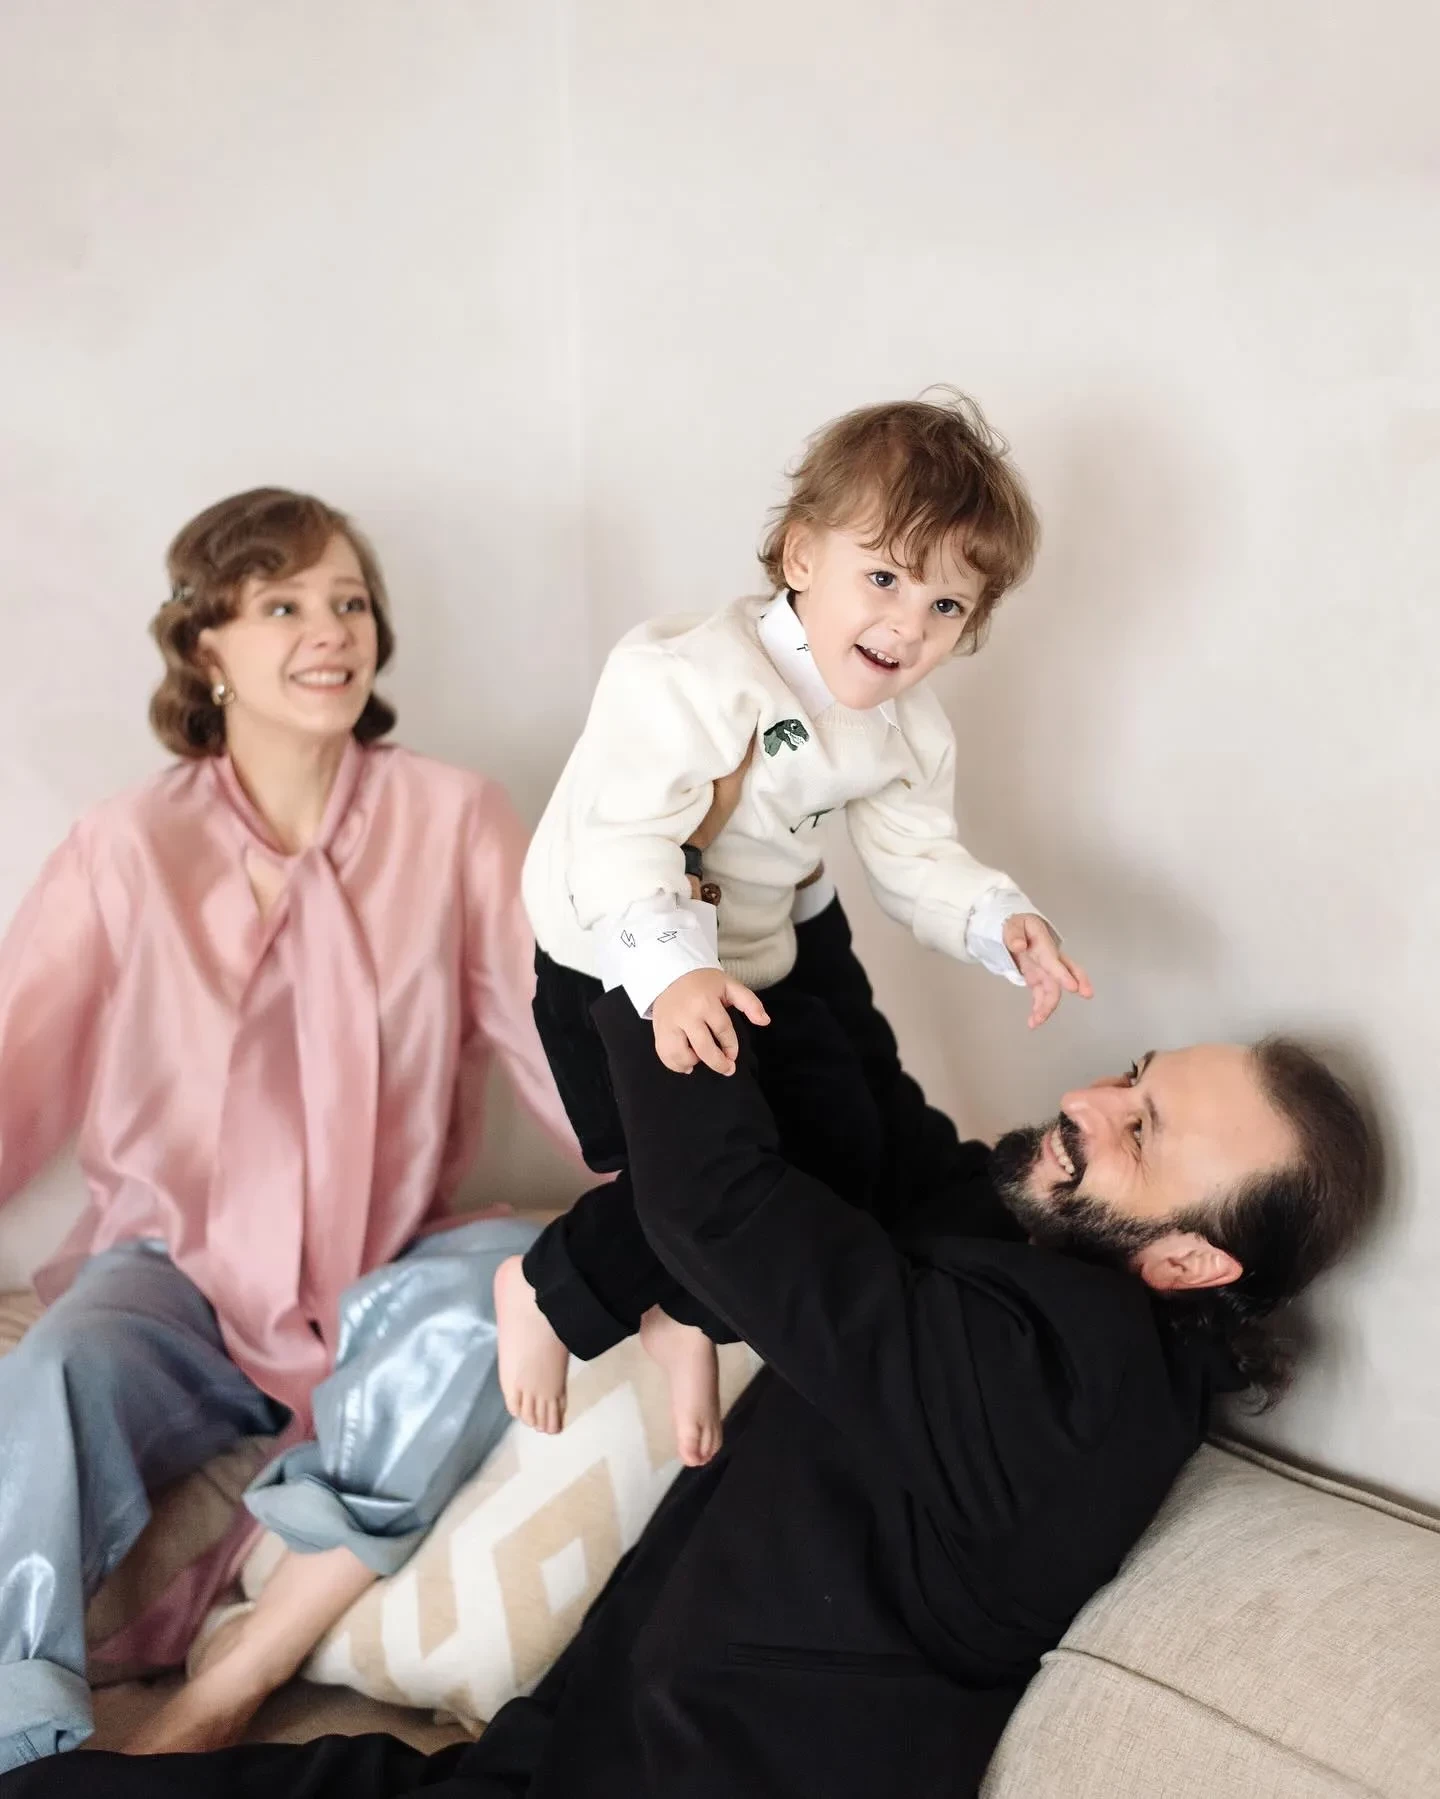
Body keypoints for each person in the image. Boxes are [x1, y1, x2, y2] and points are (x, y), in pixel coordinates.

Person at [3, 888, 1377, 1798]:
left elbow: (726, 1207)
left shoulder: (1078, 1391)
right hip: (542, 1766)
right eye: (1131, 1077)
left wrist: (655, 922)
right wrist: (781, 843)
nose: (1088, 1100)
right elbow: (864, 1113)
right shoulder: (1031, 1247)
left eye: (1142, 1131)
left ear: (1194, 1259)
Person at [0, 489, 588, 1768]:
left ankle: (228, 1684)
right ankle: (18, 1732)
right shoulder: (125, 845)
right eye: (282, 604)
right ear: (204, 645)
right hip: (174, 1275)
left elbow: (556, 1046)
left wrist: (684, 1188)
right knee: (53, 1368)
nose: (331, 630)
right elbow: (14, 1070)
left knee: (505, 1282)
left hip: (385, 1268)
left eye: (349, 601)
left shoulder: (456, 819)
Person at [499, 391, 1094, 1463]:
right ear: (802, 554)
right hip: (612, 957)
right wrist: (671, 972)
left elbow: (917, 855)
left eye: (947, 605)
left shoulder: (905, 730)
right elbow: (619, 841)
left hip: (758, 951)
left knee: (826, 1151)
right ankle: (546, 1288)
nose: (909, 625)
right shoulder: (687, 677)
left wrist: (1000, 919)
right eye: (886, 579)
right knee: (695, 1175)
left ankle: (686, 1319)